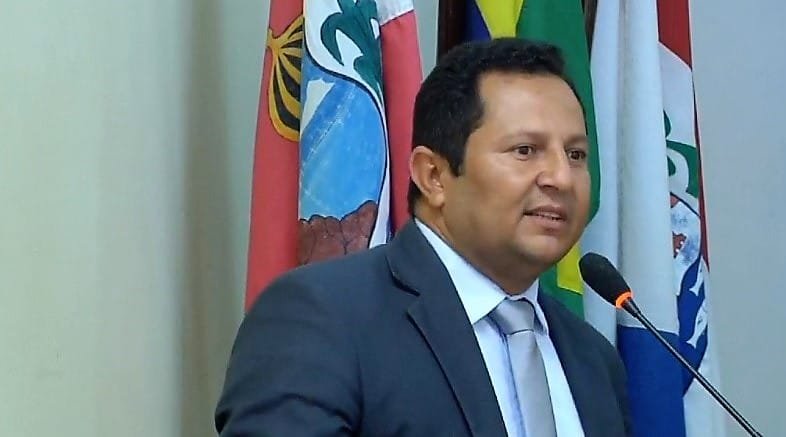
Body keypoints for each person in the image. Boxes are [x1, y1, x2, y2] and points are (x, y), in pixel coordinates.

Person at [216, 38, 632, 437]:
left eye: (576, 155)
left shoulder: (593, 358)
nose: (562, 178)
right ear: (433, 176)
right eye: (525, 150)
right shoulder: (324, 318)